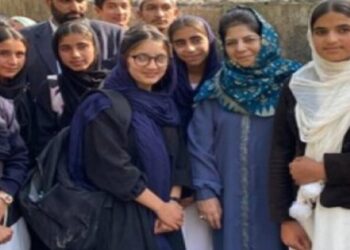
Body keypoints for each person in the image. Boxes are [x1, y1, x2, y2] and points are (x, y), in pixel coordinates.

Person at [67, 24, 190, 250]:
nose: (152, 66)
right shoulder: (103, 105)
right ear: (125, 59)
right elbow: (110, 166)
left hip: (165, 218)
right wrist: (160, 208)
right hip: (122, 218)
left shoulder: (166, 105)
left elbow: (179, 157)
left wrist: (171, 203)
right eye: (141, 57)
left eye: (160, 58)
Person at [187, 6, 301, 250]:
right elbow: (200, 146)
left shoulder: (294, 83)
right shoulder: (215, 90)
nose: (240, 49)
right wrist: (206, 193)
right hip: (228, 200)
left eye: (249, 39)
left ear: (266, 39)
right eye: (231, 43)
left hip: (284, 197)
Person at [269, 1, 350, 250]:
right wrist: (285, 218)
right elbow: (280, 154)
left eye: (344, 29)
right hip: (308, 213)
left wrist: (325, 169)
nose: (332, 39)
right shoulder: (299, 85)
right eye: (321, 31)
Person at [168, 15, 221, 250]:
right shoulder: (163, 80)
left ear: (209, 40)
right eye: (180, 43)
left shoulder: (227, 79)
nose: (189, 49)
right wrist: (183, 185)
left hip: (219, 177)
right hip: (176, 182)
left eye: (196, 39)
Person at [34, 20, 108, 159]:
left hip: (111, 164)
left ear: (96, 48)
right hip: (65, 168)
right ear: (57, 52)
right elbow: (43, 139)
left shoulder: (112, 84)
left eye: (82, 46)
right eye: (65, 48)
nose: (75, 54)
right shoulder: (52, 88)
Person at [21, 0, 123, 96]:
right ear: (48, 2)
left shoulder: (114, 35)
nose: (75, 7)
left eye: (80, 1)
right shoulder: (25, 39)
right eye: (66, 1)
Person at [0, 22, 30, 249]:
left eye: (20, 54)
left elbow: (18, 155)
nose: (13, 61)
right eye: (4, 53)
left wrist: (5, 195)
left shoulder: (6, 105)